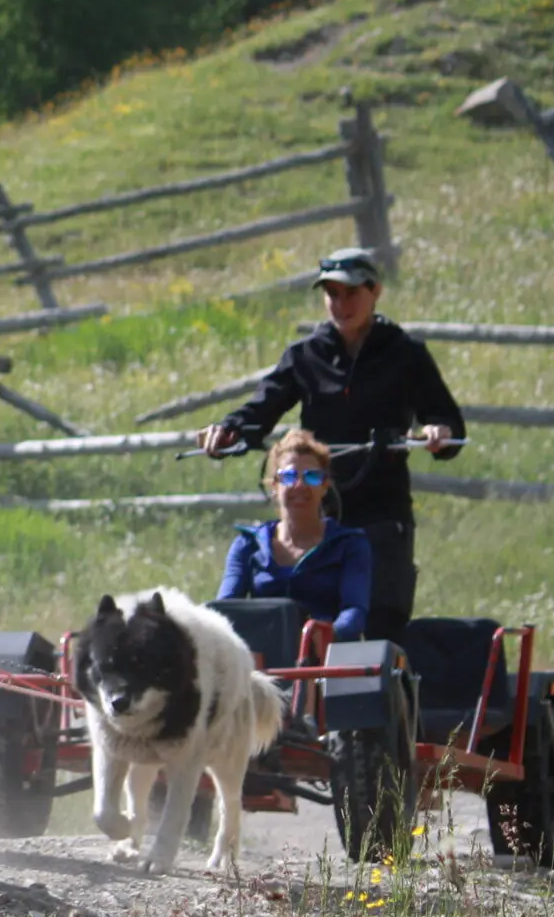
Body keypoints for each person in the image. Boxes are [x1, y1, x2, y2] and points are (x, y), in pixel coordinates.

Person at [197, 248, 464, 641]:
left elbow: (447, 424)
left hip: (381, 515)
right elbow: (262, 408)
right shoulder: (305, 355)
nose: (341, 304)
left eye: (351, 293)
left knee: (379, 630)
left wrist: (438, 433)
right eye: (332, 294)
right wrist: (229, 430)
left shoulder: (406, 355)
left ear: (376, 292)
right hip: (320, 515)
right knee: (301, 629)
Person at [217, 429, 372, 639]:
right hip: (262, 659)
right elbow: (225, 610)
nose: (300, 485)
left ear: (325, 486)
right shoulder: (247, 545)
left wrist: (326, 635)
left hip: (327, 658)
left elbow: (355, 612)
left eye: (312, 476)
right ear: (274, 486)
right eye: (288, 476)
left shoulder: (350, 545)